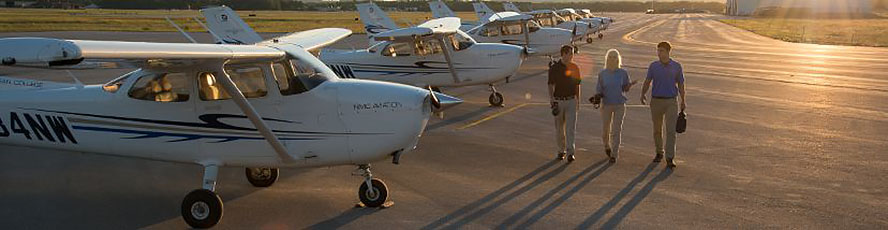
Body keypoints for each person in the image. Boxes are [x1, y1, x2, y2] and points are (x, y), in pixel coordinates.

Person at [640, 41, 686, 168]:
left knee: (671, 130)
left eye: (661, 51)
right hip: (656, 101)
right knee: (657, 129)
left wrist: (683, 100)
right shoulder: (653, 66)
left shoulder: (676, 66)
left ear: (668, 52)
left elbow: (681, 84)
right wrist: (643, 93)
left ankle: (670, 157)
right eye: (658, 51)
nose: (659, 53)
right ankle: (659, 152)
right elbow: (648, 81)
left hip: (671, 101)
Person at [596, 49, 638, 163]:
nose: (612, 59)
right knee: (605, 130)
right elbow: (599, 89)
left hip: (619, 104)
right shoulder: (602, 74)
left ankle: (614, 154)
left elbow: (625, 88)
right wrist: (597, 98)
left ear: (618, 59)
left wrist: (629, 85)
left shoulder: (622, 73)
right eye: (610, 57)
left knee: (616, 130)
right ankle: (607, 146)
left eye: (614, 57)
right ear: (607, 59)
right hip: (606, 105)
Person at [548, 45, 582, 163]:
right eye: (570, 53)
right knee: (559, 129)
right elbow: (550, 84)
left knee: (570, 128)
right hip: (558, 101)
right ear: (563, 54)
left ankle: (570, 152)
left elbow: (577, 85)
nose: (572, 56)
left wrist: (578, 100)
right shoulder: (554, 68)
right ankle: (560, 151)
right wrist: (552, 99)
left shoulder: (574, 67)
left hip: (571, 100)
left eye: (572, 53)